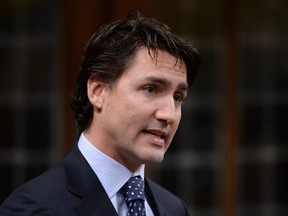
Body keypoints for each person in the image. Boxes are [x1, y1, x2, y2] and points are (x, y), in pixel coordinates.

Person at [0, 11, 201, 216]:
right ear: (98, 91)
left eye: (177, 97)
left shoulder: (174, 209)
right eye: (150, 89)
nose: (169, 114)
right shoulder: (34, 208)